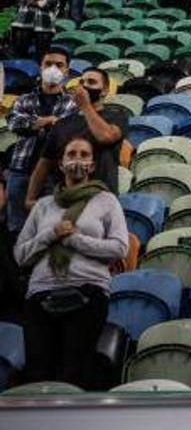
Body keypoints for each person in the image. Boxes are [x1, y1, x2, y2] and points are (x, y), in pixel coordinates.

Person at [14, 133, 128, 387]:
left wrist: (75, 240)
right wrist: (50, 235)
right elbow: (21, 254)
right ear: (61, 163)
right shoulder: (43, 205)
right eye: (71, 154)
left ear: (93, 165)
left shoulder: (106, 200)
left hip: (87, 293)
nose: (77, 160)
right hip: (41, 295)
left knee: (74, 374)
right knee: (39, 374)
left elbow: (119, 248)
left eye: (84, 155)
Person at [24, 69, 125, 208]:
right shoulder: (62, 123)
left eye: (92, 82)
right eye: (82, 82)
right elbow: (44, 164)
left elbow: (106, 137)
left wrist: (85, 106)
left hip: (101, 200)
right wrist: (30, 198)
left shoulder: (117, 116)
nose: (84, 86)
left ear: (104, 90)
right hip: (64, 199)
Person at [6, 49, 77, 234]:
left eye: (59, 65)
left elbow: (66, 130)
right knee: (17, 227)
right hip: (20, 169)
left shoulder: (73, 103)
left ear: (67, 71)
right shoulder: (23, 99)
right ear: (40, 68)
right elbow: (14, 122)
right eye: (48, 64)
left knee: (48, 228)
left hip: (54, 174)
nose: (53, 68)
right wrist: (47, 121)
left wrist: (34, 124)